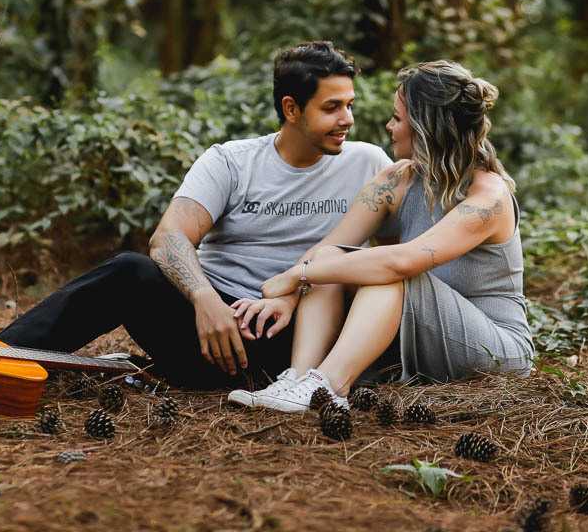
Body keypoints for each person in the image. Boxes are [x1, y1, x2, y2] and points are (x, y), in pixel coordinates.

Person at [0, 41, 393, 389]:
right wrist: (204, 300)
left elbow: (392, 258)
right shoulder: (232, 162)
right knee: (129, 271)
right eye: (332, 107)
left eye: (349, 105)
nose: (348, 119)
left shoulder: (369, 163)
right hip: (211, 329)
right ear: (291, 108)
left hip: (303, 333)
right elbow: (168, 238)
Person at [227, 60, 533, 411]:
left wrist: (294, 275)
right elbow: (328, 248)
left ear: (426, 128)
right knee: (332, 258)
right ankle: (297, 379)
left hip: (494, 350)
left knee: (390, 273)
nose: (390, 126)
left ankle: (329, 387)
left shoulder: (488, 197)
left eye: (398, 118)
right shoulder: (397, 180)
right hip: (423, 336)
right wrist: (289, 296)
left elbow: (400, 262)